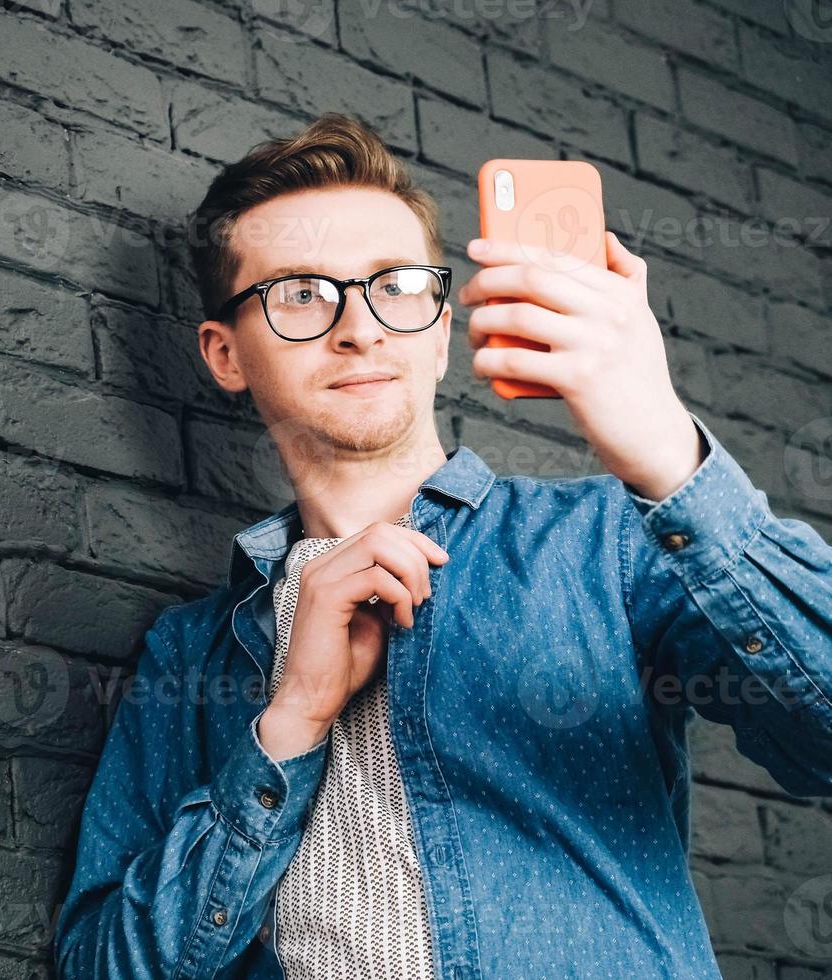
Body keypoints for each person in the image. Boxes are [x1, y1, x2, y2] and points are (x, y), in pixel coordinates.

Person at [50, 112, 832, 979]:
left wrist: (668, 457)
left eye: (394, 283)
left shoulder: (605, 541)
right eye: (302, 293)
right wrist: (292, 720)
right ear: (225, 354)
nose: (359, 327)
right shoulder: (189, 655)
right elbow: (102, 966)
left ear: (442, 321)